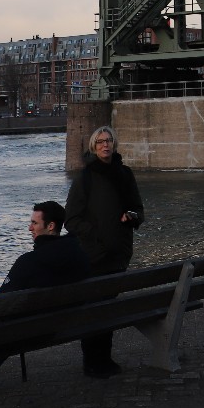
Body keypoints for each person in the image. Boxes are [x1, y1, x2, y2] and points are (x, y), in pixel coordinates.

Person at [0, 200, 91, 385]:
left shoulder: (29, 262)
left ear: (50, 226)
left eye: (34, 223)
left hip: (37, 330)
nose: (29, 228)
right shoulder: (78, 253)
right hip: (71, 320)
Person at [65, 125, 145, 379]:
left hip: (118, 254)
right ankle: (92, 361)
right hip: (93, 255)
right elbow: (71, 219)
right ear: (93, 146)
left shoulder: (125, 174)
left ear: (114, 144)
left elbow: (138, 209)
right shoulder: (85, 178)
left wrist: (132, 216)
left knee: (107, 308)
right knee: (94, 309)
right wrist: (95, 236)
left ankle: (105, 358)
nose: (105, 145)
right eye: (100, 142)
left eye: (108, 140)